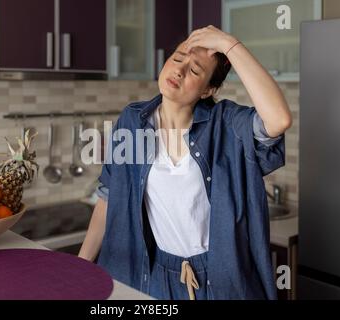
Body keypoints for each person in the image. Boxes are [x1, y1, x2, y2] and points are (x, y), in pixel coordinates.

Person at [79, 25, 292, 300]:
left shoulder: (227, 125)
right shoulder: (132, 122)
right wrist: (81, 266)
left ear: (207, 90)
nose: (179, 70)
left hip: (221, 278)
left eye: (194, 71)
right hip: (155, 275)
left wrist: (229, 44)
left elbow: (279, 120)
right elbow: (109, 198)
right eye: (178, 58)